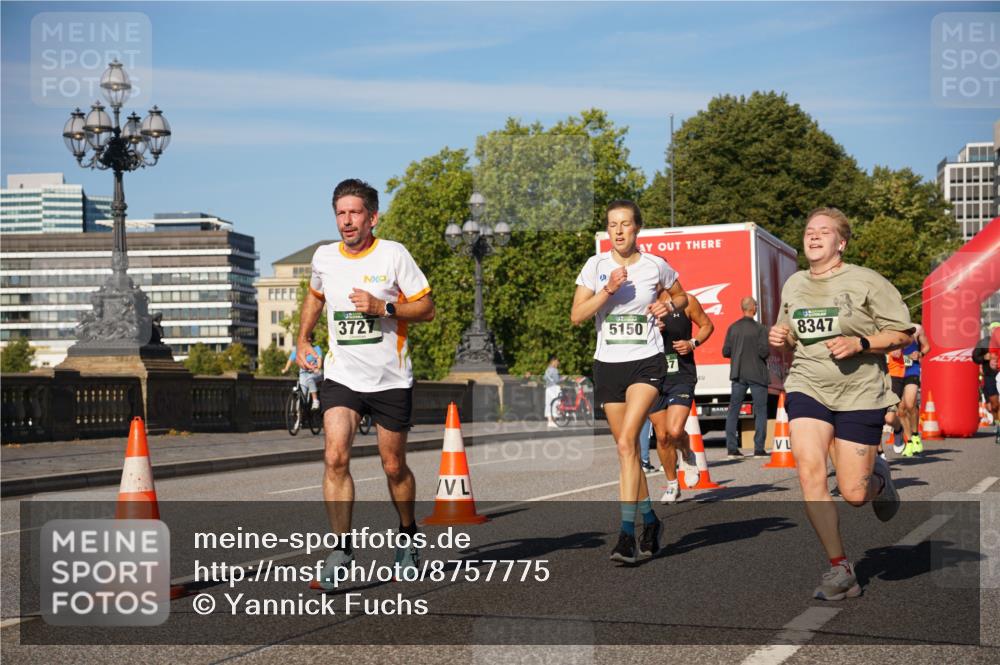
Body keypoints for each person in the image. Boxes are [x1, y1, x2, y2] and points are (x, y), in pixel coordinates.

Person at [769, 207, 913, 601]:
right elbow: (794, 336)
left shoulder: (867, 281)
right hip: (807, 384)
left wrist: (860, 343)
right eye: (809, 231)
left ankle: (879, 479)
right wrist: (782, 338)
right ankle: (840, 568)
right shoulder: (795, 284)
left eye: (824, 232)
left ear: (841, 242)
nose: (814, 236)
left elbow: (902, 332)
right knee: (810, 469)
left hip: (859, 391)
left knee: (852, 493)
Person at [297, 178, 435, 588]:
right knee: (335, 457)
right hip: (342, 375)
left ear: (373, 217)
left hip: (390, 378)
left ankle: (408, 536)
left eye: (355, 212)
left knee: (393, 466)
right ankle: (341, 548)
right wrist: (304, 337)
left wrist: (384, 306)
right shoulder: (324, 257)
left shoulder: (394, 255)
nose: (347, 220)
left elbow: (426, 308)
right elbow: (316, 296)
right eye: (341, 213)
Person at [571, 199, 688, 564]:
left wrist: (668, 306)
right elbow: (577, 316)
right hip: (608, 365)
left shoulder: (655, 266)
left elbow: (683, 295)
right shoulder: (595, 267)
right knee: (629, 452)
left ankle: (625, 536)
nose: (618, 230)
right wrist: (606, 291)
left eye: (625, 224)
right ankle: (651, 521)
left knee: (626, 443)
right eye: (612, 224)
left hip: (646, 364)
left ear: (637, 228)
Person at [649, 293, 713, 503]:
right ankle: (672, 484)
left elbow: (707, 325)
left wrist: (692, 343)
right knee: (662, 436)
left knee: (675, 431)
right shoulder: (642, 301)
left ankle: (687, 453)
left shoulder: (687, 301)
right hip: (651, 376)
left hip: (680, 375)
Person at [722, 297, 770, 458]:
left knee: (733, 410)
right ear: (753, 308)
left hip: (738, 374)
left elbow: (726, 352)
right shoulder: (761, 329)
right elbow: (764, 352)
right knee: (761, 411)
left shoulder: (732, 328)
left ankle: (732, 449)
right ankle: (759, 449)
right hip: (757, 374)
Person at [897, 323, 930, 457]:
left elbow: (927, 346)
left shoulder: (917, 328)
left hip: (912, 370)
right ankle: (909, 440)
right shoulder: (890, 327)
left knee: (910, 404)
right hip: (897, 371)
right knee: (901, 409)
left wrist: (920, 353)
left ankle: (916, 436)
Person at [972, 322, 1000, 443]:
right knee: (994, 405)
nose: (995, 332)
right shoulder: (983, 343)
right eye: (993, 330)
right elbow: (974, 357)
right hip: (990, 376)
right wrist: (984, 358)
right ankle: (998, 425)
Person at [283, 335, 324, 410]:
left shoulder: (316, 348)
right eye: (305, 340)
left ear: (311, 340)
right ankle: (301, 415)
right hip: (303, 373)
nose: (307, 341)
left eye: (309, 340)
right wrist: (286, 368)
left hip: (315, 372)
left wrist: (318, 367)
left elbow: (319, 359)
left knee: (310, 380)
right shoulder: (299, 350)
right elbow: (290, 359)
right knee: (303, 396)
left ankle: (315, 401)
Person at [544, 355, 562, 428]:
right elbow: (557, 380)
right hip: (554, 388)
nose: (558, 363)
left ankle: (550, 421)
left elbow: (545, 378)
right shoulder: (554, 370)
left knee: (549, 404)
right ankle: (552, 421)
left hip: (548, 388)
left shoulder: (547, 369)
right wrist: (563, 379)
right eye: (557, 361)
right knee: (555, 403)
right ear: (553, 361)